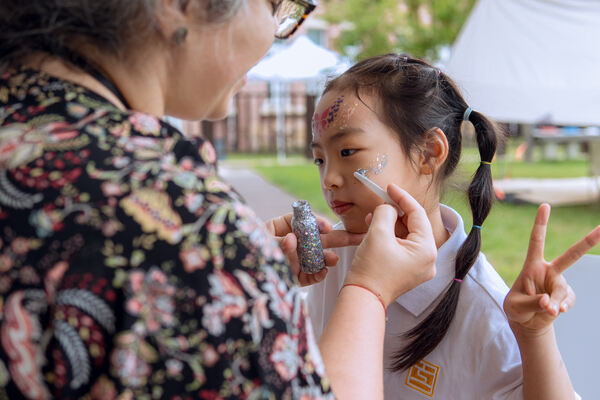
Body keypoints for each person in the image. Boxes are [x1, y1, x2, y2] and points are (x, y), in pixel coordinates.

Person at [0, 1, 442, 399]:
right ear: (179, 5)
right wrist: (369, 291)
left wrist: (244, 280)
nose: (276, 32)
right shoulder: (184, 224)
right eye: (276, 6)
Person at [305, 54, 600, 399]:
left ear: (429, 153)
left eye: (349, 151)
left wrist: (534, 337)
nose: (330, 180)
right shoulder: (336, 258)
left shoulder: (483, 308)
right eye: (320, 159)